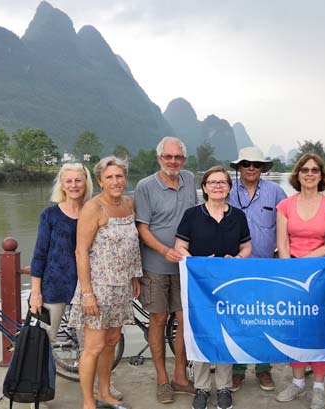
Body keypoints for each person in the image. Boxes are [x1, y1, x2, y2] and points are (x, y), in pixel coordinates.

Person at [174, 166, 252, 409]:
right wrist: (197, 262)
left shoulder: (238, 216)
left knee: (225, 334)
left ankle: (224, 387)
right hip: (200, 286)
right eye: (212, 182)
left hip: (229, 285)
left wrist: (238, 260)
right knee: (201, 333)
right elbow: (179, 246)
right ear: (204, 187)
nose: (218, 186)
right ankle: (201, 388)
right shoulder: (192, 215)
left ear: (229, 187)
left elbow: (246, 247)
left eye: (223, 182)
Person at [69, 156, 143, 409]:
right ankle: (88, 402)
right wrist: (87, 293)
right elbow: (81, 251)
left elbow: (132, 246)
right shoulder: (93, 208)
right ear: (100, 180)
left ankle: (105, 393)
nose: (115, 181)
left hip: (121, 286)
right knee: (94, 346)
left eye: (119, 176)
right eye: (109, 177)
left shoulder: (129, 204)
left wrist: (135, 275)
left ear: (125, 178)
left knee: (112, 342)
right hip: (98, 288)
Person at [134, 136, 198, 404]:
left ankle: (180, 377)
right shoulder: (145, 186)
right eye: (168, 157)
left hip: (185, 266)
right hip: (155, 267)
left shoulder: (191, 180)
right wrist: (164, 250)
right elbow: (142, 228)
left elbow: (197, 216)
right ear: (159, 158)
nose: (173, 161)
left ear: (184, 159)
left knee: (185, 321)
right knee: (158, 320)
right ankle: (162, 379)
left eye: (178, 157)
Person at [275, 153, 325, 409]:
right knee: (295, 328)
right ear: (298, 174)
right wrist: (289, 269)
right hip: (292, 275)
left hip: (321, 276)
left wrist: (304, 264)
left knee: (319, 329)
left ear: (321, 175)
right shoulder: (286, 206)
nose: (310, 174)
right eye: (305, 169)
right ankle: (298, 381)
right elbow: (282, 242)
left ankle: (319, 386)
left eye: (315, 170)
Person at [29, 163, 93, 408]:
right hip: (54, 285)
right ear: (62, 185)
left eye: (79, 180)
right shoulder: (50, 215)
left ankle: (99, 386)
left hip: (85, 287)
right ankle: (39, 389)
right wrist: (36, 291)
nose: (74, 185)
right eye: (69, 181)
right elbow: (39, 255)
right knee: (44, 340)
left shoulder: (93, 210)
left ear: (86, 183)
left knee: (91, 343)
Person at [226, 146, 287, 392]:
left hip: (266, 265)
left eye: (257, 164)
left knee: (264, 318)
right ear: (239, 166)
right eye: (247, 163)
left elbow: (288, 224)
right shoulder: (226, 190)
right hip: (235, 266)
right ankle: (238, 369)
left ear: (263, 168)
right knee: (237, 319)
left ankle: (263, 369)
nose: (251, 168)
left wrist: (280, 254)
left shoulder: (276, 192)